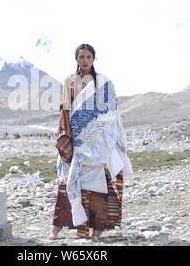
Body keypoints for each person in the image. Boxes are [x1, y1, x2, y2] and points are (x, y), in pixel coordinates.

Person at [50, 43, 133, 242]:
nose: (85, 61)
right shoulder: (69, 81)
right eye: (81, 57)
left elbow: (111, 113)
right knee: (68, 184)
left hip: (99, 143)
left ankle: (96, 231)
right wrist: (67, 137)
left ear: (94, 59)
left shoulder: (104, 83)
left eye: (88, 57)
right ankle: (56, 228)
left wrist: (103, 139)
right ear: (76, 59)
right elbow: (65, 111)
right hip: (76, 141)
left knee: (98, 188)